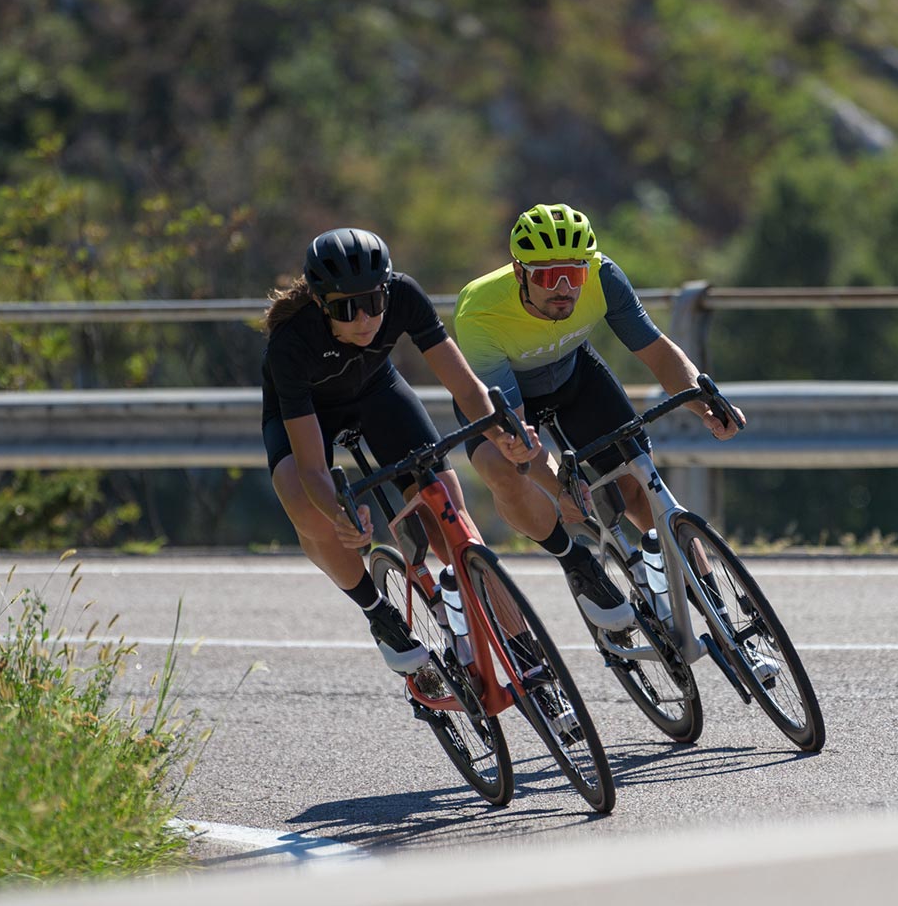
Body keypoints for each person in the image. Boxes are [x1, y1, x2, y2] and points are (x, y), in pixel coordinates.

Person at [261, 227, 540, 694]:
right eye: (346, 308)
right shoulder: (291, 343)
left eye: (373, 301)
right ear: (321, 304)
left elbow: (467, 387)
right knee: (306, 505)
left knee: (450, 515)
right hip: (310, 414)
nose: (365, 318)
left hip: (377, 395)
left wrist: (504, 433)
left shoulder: (405, 295)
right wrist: (340, 514)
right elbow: (312, 468)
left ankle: (528, 653)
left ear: (387, 288)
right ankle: (380, 614)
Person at [451, 202, 745, 632]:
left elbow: (658, 352)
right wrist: (561, 488)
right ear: (520, 273)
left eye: (576, 273)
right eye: (550, 276)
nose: (566, 288)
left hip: (573, 377)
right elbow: (518, 440)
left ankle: (715, 604)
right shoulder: (479, 310)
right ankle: (577, 562)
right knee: (505, 469)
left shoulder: (604, 276)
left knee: (640, 487)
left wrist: (705, 404)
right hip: (509, 403)